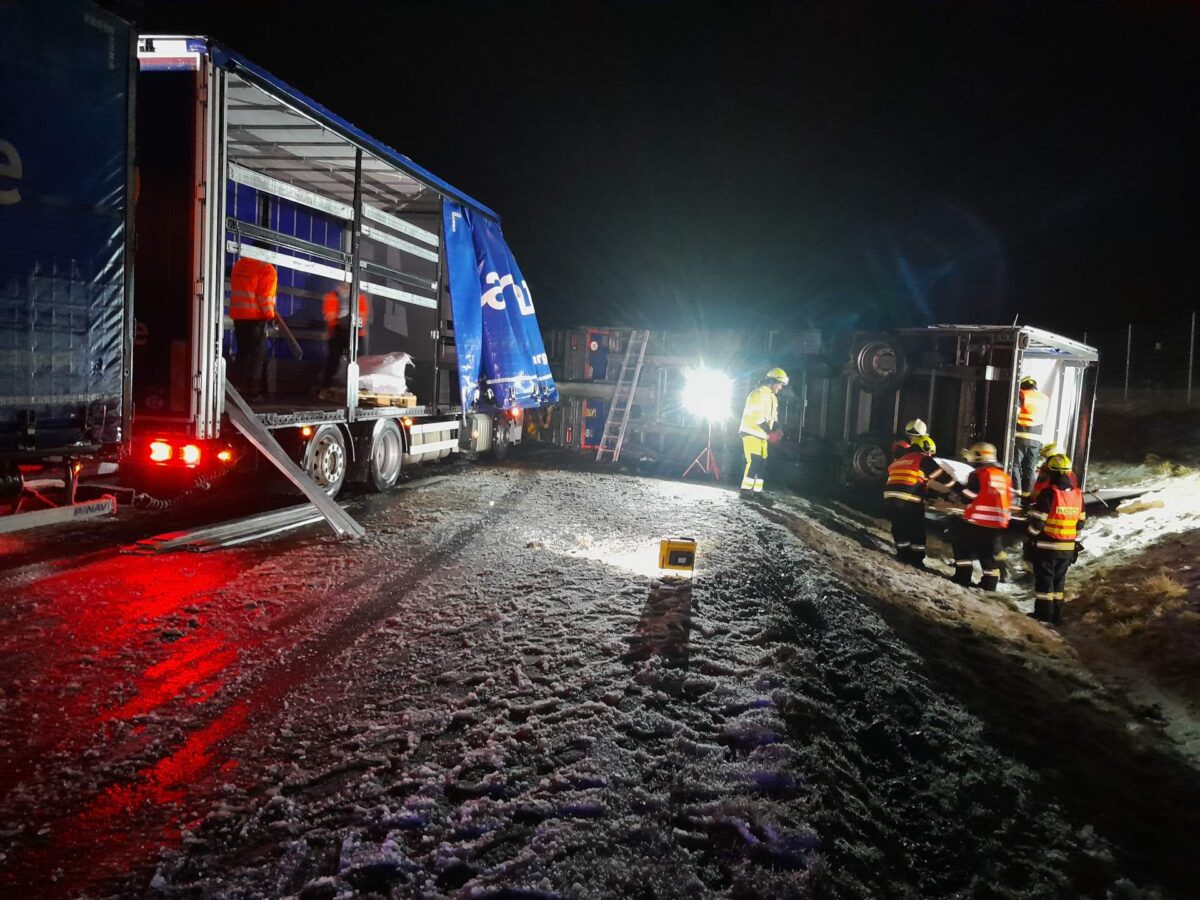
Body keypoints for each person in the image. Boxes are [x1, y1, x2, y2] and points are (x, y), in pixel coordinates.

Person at [1025, 453, 1086, 625]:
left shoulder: (1049, 493)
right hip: (1067, 548)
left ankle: (1043, 615)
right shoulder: (1077, 495)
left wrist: (1029, 537)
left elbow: (1038, 523)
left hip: (1047, 547)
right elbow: (1080, 523)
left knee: (1045, 583)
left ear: (1052, 473)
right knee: (1059, 583)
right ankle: (1056, 616)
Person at [950, 441, 1013, 591]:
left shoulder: (979, 474)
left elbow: (969, 496)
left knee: (961, 546)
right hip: (997, 523)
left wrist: (957, 489)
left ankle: (963, 577)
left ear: (979, 456)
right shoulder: (1004, 476)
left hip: (977, 520)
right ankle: (990, 584)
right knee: (987, 553)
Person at [883, 433, 953, 567]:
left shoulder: (900, 460)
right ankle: (916, 559)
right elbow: (938, 476)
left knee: (899, 526)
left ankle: (903, 554)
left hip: (890, 498)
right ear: (926, 449)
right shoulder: (922, 458)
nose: (931, 456)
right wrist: (954, 486)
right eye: (931, 453)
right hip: (909, 499)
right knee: (916, 528)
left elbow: (917, 479)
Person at [229, 254, 278, 400]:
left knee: (242, 354)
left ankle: (235, 390)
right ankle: (252, 393)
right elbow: (265, 297)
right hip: (255, 318)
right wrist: (271, 316)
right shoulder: (266, 269)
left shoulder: (239, 265)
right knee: (257, 356)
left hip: (239, 316)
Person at [739, 367, 787, 495]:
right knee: (755, 460)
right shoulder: (758, 394)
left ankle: (757, 492)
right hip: (751, 431)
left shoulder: (773, 398)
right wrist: (771, 432)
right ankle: (745, 490)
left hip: (763, 434)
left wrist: (778, 429)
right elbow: (756, 416)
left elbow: (773, 417)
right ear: (772, 381)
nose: (780, 388)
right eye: (780, 384)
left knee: (762, 463)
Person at [321, 282, 370, 389]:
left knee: (360, 361)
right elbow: (329, 317)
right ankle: (326, 386)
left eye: (348, 284)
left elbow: (362, 317)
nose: (346, 286)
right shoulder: (331, 297)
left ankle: (359, 387)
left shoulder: (360, 298)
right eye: (344, 284)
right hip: (337, 333)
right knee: (333, 360)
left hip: (356, 333)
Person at [1012, 375, 1050, 505]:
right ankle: (1027, 498)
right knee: (1029, 468)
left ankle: (1016, 494)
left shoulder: (1022, 395)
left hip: (1021, 435)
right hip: (1036, 439)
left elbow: (1014, 413)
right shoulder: (1044, 398)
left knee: (1015, 465)